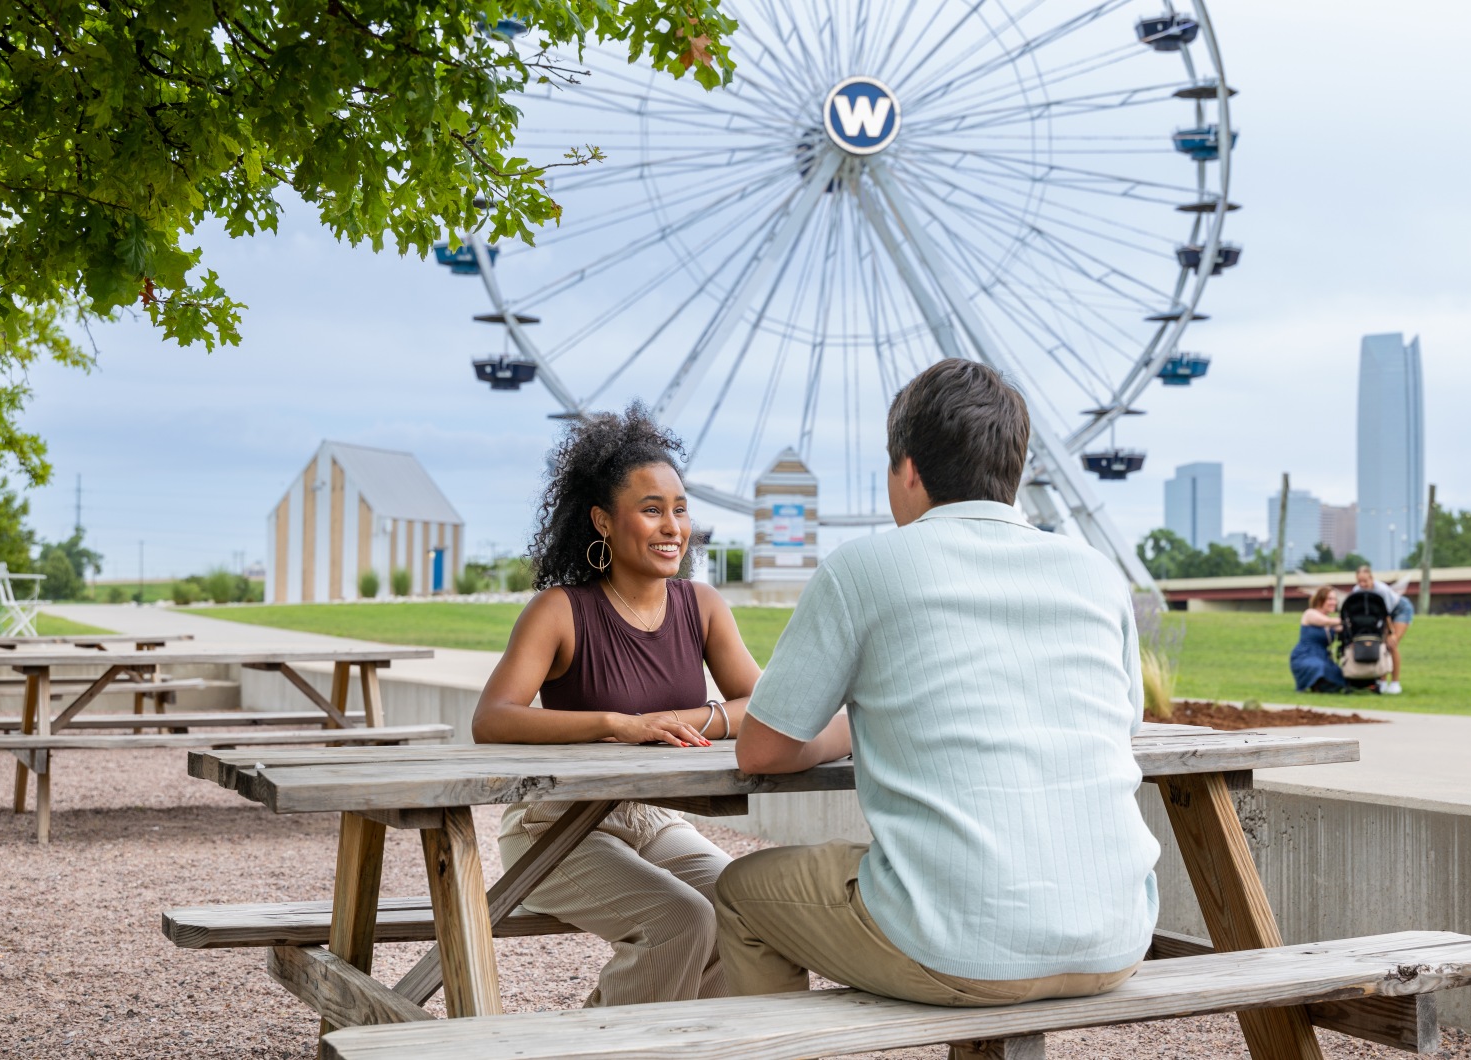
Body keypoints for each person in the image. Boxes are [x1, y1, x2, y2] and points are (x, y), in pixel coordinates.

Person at [714, 359, 1160, 1058]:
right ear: (1014, 469)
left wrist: (845, 733)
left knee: (741, 892)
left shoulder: (864, 569)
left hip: (961, 947)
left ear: (909, 471)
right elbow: (1121, 721)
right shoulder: (1096, 575)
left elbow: (761, 750)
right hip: (1118, 934)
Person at [470, 404, 762, 1006]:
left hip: (653, 820)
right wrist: (617, 726)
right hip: (553, 827)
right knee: (681, 921)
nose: (672, 527)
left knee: (748, 914)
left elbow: (760, 703)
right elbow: (491, 718)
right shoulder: (560, 610)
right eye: (651, 510)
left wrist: (688, 719)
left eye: (679, 510)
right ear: (603, 520)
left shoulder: (701, 606)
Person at [1353, 564, 1410, 694]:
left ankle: (1395, 683)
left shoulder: (1381, 590)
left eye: (1365, 581)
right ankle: (1382, 682)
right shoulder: (1356, 591)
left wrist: (1391, 634)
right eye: (1359, 581)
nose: (1362, 584)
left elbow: (1386, 615)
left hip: (1399, 610)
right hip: (1378, 616)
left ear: (1371, 578)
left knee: (1391, 644)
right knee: (1379, 645)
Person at [1291, 586, 1347, 693]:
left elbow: (1342, 627)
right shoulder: (1310, 614)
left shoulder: (1332, 622)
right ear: (1320, 600)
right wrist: (1346, 618)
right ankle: (1314, 684)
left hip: (1323, 656)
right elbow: (1327, 621)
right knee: (1318, 667)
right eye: (1330, 599)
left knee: (1338, 674)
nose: (1333, 602)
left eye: (1335, 599)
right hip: (1305, 655)